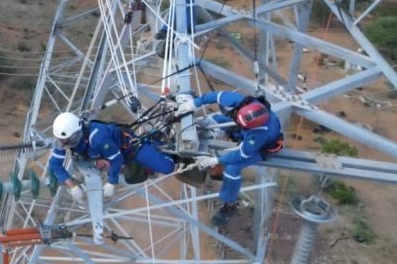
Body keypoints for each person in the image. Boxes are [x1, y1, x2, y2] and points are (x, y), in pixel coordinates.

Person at [174, 91, 283, 226]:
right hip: (244, 130)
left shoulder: (261, 134)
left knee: (232, 168)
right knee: (216, 120)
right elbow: (218, 96)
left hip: (261, 149)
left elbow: (242, 154)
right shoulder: (246, 102)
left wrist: (217, 160)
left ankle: (229, 204)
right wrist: (195, 103)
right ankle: (217, 163)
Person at [48, 112, 178, 203]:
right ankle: (152, 155)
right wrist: (72, 186)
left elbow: (117, 159)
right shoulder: (66, 141)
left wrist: (111, 182)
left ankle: (157, 144)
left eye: (65, 140)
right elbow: (54, 164)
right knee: (132, 176)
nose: (63, 143)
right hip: (110, 154)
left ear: (76, 134)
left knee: (167, 167)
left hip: (130, 149)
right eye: (61, 140)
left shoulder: (98, 138)